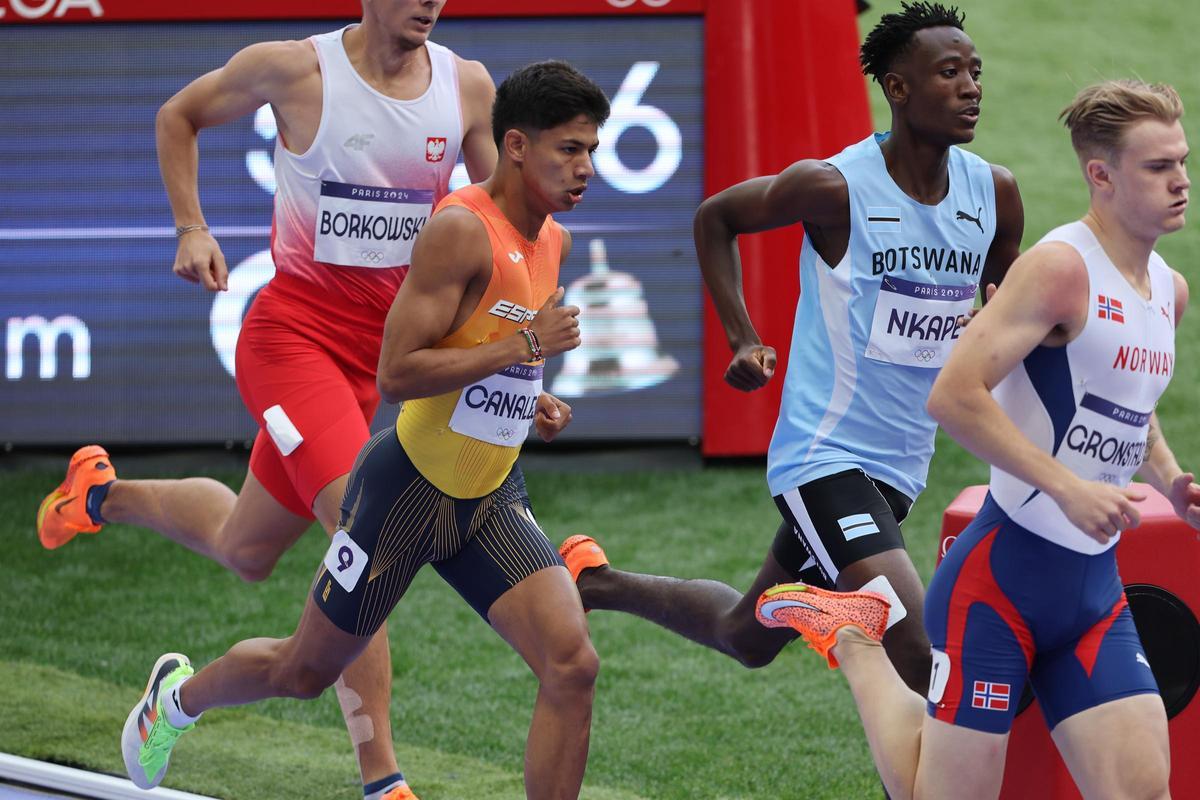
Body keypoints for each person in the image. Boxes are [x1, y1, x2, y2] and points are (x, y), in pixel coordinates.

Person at [34, 3, 497, 797]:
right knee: (367, 527)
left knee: (245, 549)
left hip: (372, 367)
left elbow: (498, 227)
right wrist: (190, 226)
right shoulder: (296, 69)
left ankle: (98, 495)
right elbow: (178, 115)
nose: (428, 1)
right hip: (289, 343)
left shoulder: (468, 87)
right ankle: (383, 780)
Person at [117, 61, 609, 800]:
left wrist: (524, 390)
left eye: (593, 151)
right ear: (514, 145)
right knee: (301, 671)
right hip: (403, 493)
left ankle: (382, 781)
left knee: (573, 664)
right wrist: (524, 350)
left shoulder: (553, 242)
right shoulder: (457, 230)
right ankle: (179, 703)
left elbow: (488, 340)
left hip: (490, 498)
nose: (586, 169)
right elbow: (400, 375)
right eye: (569, 150)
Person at [560, 1, 1022, 695]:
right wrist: (744, 336)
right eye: (949, 72)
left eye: (976, 72)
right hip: (823, 458)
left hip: (901, 470)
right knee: (928, 658)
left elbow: (1005, 322)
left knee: (744, 638)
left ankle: (594, 582)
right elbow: (715, 217)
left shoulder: (995, 195)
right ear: (897, 88)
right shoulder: (835, 187)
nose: (971, 87)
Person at [759, 78, 1199, 800]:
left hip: (1093, 591)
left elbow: (1130, 407)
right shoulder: (1061, 270)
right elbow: (954, 396)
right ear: (1102, 175)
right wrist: (1066, 486)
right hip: (999, 587)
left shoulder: (1167, 290)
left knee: (1142, 792)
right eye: (1158, 167)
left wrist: (1171, 480)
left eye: (1182, 162)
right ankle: (854, 637)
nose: (1181, 181)